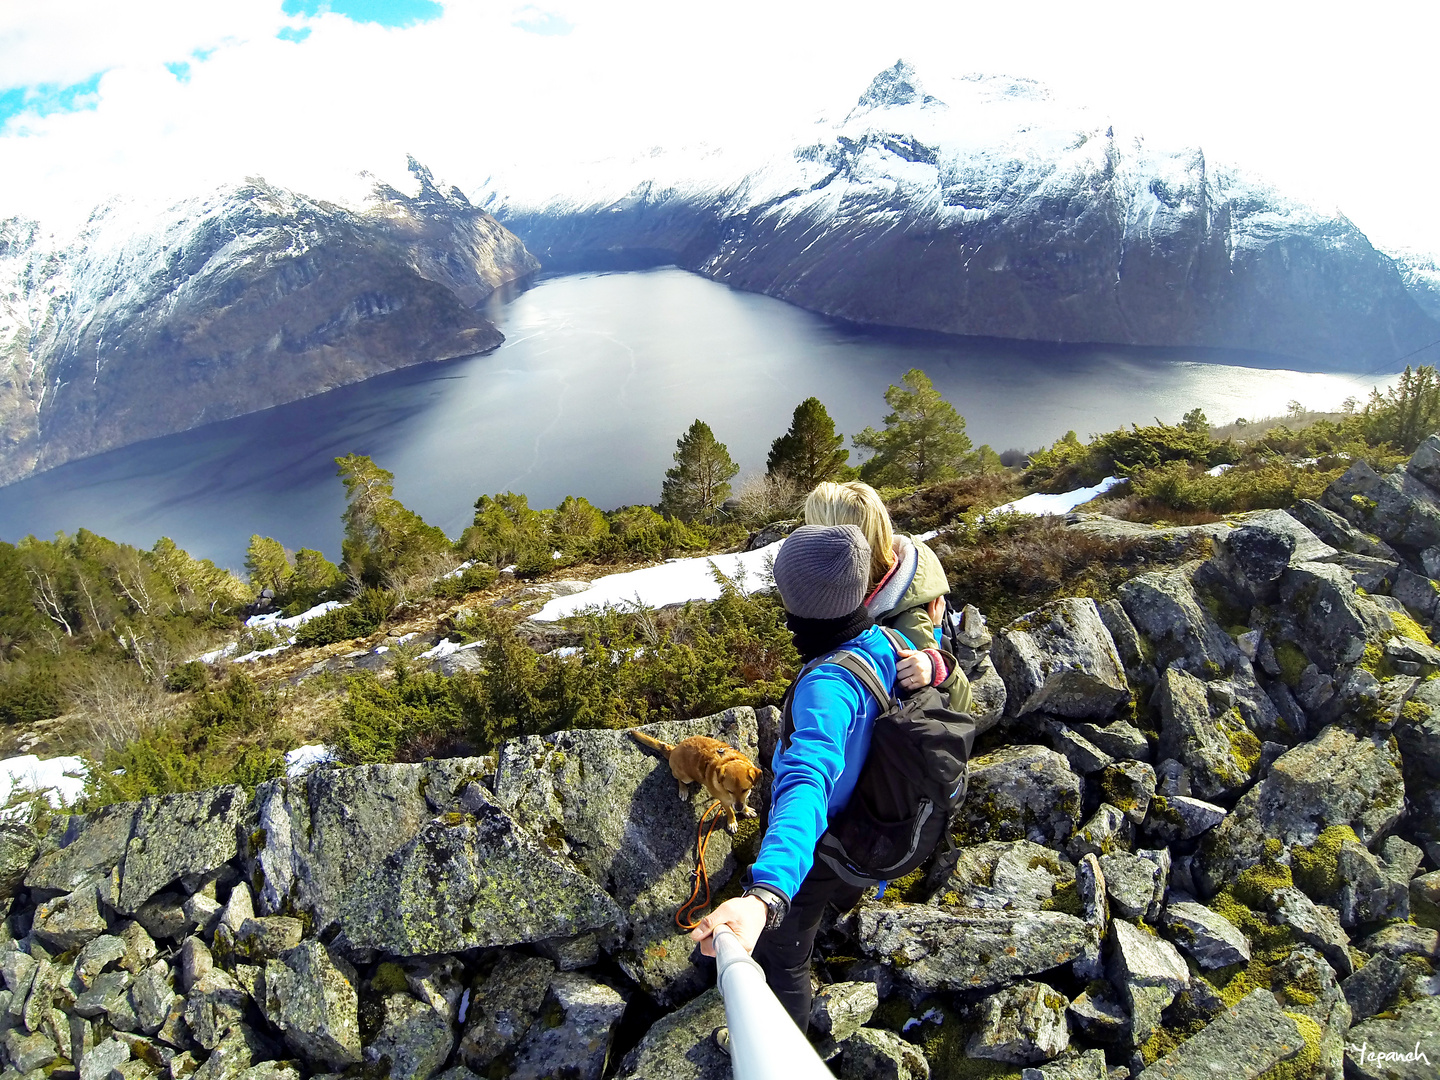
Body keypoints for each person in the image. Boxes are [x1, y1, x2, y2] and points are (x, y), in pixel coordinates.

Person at [689, 523, 939, 1033]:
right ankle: (842, 900)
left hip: (827, 837)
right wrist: (938, 661)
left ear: (798, 601)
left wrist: (766, 896)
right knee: (830, 893)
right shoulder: (887, 639)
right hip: (877, 817)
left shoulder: (826, 685)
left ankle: (791, 1043)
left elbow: (807, 785)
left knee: (783, 958)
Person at [803, 480, 972, 713]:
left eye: (813, 531)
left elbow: (957, 707)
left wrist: (935, 665)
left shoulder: (907, 617)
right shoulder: (862, 588)